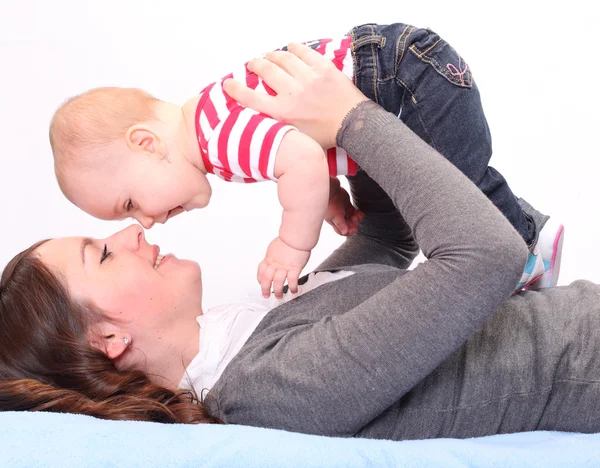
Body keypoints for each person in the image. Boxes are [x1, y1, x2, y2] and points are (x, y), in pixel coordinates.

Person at [2, 43, 598, 441]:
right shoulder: (266, 389)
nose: (133, 231)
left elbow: (386, 239)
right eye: (101, 253)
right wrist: (353, 119)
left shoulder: (250, 326)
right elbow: (484, 257)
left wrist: (322, 161)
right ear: (108, 339)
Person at [48, 22, 563, 299]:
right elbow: (302, 147)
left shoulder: (217, 133)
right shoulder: (213, 120)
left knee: (456, 186)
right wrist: (334, 198)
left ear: (146, 143)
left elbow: (300, 160)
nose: (148, 221)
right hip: (404, 66)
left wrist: (291, 245)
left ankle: (526, 241)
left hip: (403, 81)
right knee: (439, 189)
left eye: (131, 202)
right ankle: (524, 238)